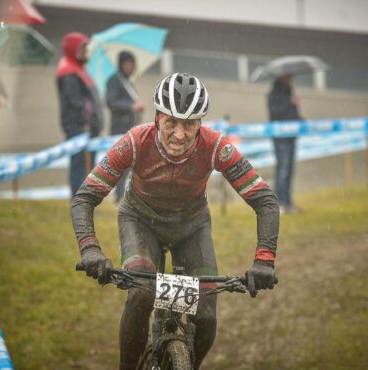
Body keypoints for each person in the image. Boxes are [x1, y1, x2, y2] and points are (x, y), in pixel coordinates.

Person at [71, 73, 279, 369]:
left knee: (205, 317)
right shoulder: (134, 141)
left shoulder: (214, 146)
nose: (179, 134)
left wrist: (264, 260)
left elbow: (265, 200)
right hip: (140, 221)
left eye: (189, 124)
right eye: (171, 122)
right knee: (142, 294)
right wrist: (90, 249)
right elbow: (84, 198)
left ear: (200, 125)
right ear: (157, 118)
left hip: (190, 229)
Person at [56, 32, 103, 197]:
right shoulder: (68, 71)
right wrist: (86, 124)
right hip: (80, 129)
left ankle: (86, 202)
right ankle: (78, 202)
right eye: (82, 47)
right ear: (73, 49)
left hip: (89, 130)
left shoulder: (80, 70)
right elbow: (75, 102)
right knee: (79, 168)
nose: (86, 51)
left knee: (88, 169)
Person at [106, 50, 144, 203]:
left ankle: (124, 194)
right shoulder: (114, 80)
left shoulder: (128, 81)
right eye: (127, 63)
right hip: (119, 128)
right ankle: (119, 195)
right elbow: (111, 102)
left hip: (129, 127)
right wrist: (131, 107)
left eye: (131, 64)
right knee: (120, 163)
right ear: (121, 64)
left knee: (129, 163)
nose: (129, 66)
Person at [268, 74, 301, 214]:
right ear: (281, 78)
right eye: (287, 77)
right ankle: (279, 203)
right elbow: (274, 113)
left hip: (291, 137)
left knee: (289, 170)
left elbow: (294, 115)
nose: (290, 80)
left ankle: (287, 202)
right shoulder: (273, 94)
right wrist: (290, 102)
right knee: (282, 170)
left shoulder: (289, 92)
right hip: (280, 138)